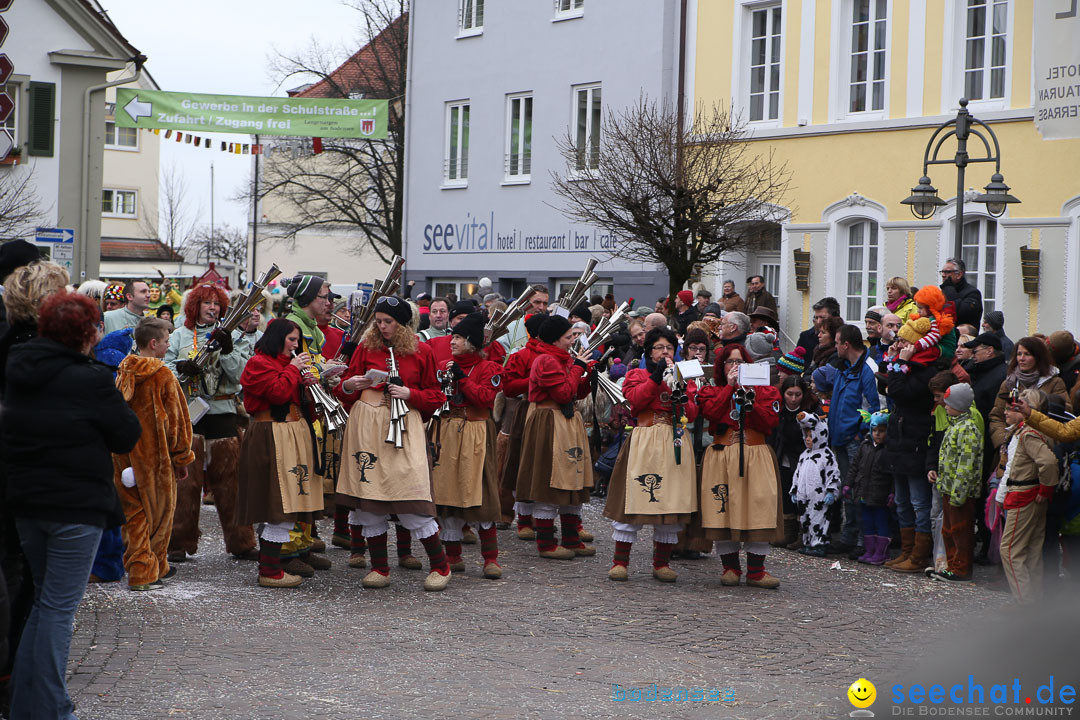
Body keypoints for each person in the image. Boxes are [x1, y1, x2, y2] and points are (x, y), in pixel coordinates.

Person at [3, 291, 141, 719]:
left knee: (45, 604)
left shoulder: (17, 368)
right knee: (58, 611)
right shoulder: (91, 378)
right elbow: (125, 434)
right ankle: (54, 709)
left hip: (26, 502)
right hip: (73, 508)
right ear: (86, 334)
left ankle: (28, 706)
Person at [334, 296, 452, 591]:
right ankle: (380, 567)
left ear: (401, 324)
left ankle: (440, 565)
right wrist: (351, 384)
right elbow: (344, 386)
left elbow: (436, 396)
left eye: (388, 321)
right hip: (366, 426)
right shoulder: (365, 347)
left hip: (403, 426)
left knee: (410, 496)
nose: (382, 326)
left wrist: (410, 394)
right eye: (379, 321)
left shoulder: (421, 351)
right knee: (369, 499)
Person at [165, 283, 258, 564]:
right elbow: (164, 367)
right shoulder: (179, 335)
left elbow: (242, 376)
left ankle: (242, 542)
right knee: (185, 483)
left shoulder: (236, 337)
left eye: (216, 304)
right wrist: (180, 368)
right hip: (189, 414)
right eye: (206, 303)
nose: (212, 308)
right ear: (195, 306)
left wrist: (228, 348)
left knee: (231, 483)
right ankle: (177, 543)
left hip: (222, 411)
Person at [603, 327, 699, 583]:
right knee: (635, 496)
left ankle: (662, 563)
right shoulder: (637, 374)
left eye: (669, 347)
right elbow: (634, 402)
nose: (665, 352)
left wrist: (679, 389)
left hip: (674, 439)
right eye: (659, 347)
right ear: (649, 351)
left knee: (670, 499)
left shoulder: (683, 375)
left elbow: (692, 412)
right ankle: (620, 561)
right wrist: (655, 378)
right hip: (645, 438)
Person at [236, 319, 325, 588]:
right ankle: (270, 570)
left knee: (289, 499)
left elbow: (294, 397)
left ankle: (273, 567)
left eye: (297, 341)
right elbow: (276, 393)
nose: (296, 346)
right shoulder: (258, 363)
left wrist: (308, 383)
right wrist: (294, 371)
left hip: (292, 433)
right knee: (277, 501)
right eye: (291, 340)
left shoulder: (287, 365)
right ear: (277, 338)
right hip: (271, 434)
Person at [112, 318, 195, 591]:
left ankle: (143, 567)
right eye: (167, 341)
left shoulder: (124, 370)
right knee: (159, 516)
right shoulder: (162, 375)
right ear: (153, 343)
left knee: (134, 514)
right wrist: (182, 457)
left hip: (124, 455)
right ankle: (149, 570)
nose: (169, 345)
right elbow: (177, 421)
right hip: (155, 458)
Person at [697, 343, 783, 588]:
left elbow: (769, 421)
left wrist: (749, 398)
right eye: (729, 362)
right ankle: (730, 567)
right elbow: (712, 412)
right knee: (722, 508)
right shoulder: (711, 391)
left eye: (739, 362)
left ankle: (756, 570)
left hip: (755, 453)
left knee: (759, 506)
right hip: (723, 455)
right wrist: (730, 389)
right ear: (721, 367)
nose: (734, 367)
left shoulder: (765, 391)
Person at [514, 315, 597, 560]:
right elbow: (562, 393)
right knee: (549, 483)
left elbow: (574, 392)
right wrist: (578, 368)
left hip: (565, 422)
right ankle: (546, 543)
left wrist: (588, 376)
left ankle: (571, 538)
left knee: (572, 479)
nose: (574, 340)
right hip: (550, 423)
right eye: (569, 336)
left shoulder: (561, 358)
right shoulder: (546, 361)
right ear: (556, 339)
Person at [430, 313, 504, 579]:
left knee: (479, 490)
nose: (452, 341)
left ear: (472, 342)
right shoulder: (443, 364)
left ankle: (490, 558)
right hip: (449, 431)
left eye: (459, 338)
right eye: (453, 336)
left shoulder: (490, 368)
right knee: (448, 490)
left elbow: (485, 398)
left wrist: (463, 378)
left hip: (476, 431)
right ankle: (453, 555)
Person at [883, 318, 939, 573]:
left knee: (918, 502)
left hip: (915, 440)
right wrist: (895, 361)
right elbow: (887, 387)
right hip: (900, 439)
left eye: (905, 340)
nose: (900, 343)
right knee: (903, 500)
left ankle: (918, 555)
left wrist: (901, 363)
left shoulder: (927, 369)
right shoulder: (907, 365)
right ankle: (906, 551)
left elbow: (899, 392)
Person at [999, 389, 1059, 604]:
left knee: (1010, 550)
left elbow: (1048, 462)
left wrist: (1046, 488)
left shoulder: (1029, 433)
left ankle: (1024, 602)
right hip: (1031, 493)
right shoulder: (1026, 431)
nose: (1011, 409)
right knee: (1032, 550)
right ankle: (1034, 599)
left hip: (1025, 493)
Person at [827, 324, 880, 555]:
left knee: (858, 490)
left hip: (855, 439)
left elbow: (877, 407)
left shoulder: (868, 369)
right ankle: (849, 537)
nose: (835, 347)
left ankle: (860, 540)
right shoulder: (844, 367)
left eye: (837, 342)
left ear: (846, 344)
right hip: (840, 437)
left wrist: (862, 431)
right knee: (847, 490)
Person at [929, 383, 983, 581]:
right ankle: (950, 566)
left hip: (960, 492)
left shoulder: (968, 429)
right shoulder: (955, 425)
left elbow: (966, 465)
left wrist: (958, 493)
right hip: (948, 488)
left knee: (960, 531)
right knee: (948, 530)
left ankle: (961, 568)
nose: (945, 405)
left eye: (949, 403)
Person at [988, 337, 1072, 452]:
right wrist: (1004, 442)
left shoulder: (1054, 382)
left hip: (1042, 446)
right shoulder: (1009, 383)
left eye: (1027, 354)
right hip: (1009, 449)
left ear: (1038, 357)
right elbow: (996, 416)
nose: (1022, 359)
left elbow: (1065, 414)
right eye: (1019, 354)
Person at [770, 375, 820, 549]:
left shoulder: (811, 409)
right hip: (784, 456)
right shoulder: (779, 408)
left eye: (797, 395)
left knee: (803, 496)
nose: (793, 399)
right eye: (789, 394)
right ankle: (788, 531)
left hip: (804, 458)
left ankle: (802, 533)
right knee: (786, 493)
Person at [790, 412, 841, 557]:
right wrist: (794, 490)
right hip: (804, 497)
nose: (808, 439)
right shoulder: (804, 455)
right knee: (805, 520)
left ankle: (820, 543)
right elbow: (797, 474)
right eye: (806, 436)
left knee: (819, 520)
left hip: (819, 497)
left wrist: (831, 491)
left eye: (811, 436)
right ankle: (808, 543)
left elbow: (833, 474)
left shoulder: (826, 455)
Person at [850, 411, 891, 564]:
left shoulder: (887, 449)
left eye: (881, 431)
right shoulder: (865, 445)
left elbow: (892, 474)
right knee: (866, 521)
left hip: (880, 493)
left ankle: (881, 551)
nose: (877, 434)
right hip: (864, 491)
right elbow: (855, 466)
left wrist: (892, 493)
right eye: (874, 431)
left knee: (881, 522)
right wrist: (849, 483)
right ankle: (870, 550)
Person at [940, 257, 983, 329]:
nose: (943, 275)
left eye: (947, 272)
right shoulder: (944, 291)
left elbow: (962, 313)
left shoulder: (973, 293)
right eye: (942, 272)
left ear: (959, 275)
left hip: (965, 337)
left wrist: (949, 289)